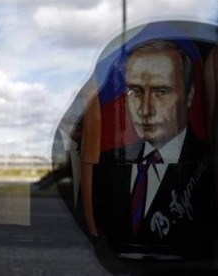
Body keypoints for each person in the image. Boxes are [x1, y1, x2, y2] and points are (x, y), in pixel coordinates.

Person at [92, 40, 214, 260]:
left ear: (189, 95)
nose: (145, 109)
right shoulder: (107, 163)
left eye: (161, 91)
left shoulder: (208, 166)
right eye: (135, 91)